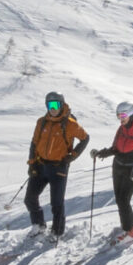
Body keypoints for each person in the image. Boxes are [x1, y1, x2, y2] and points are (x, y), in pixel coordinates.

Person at [92, 101, 133, 241]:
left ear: (131, 113)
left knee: (123, 199)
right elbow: (115, 148)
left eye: (123, 115)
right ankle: (129, 225)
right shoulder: (121, 129)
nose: (120, 118)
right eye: (118, 115)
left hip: (132, 169)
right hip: (118, 166)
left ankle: (130, 228)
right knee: (119, 199)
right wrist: (101, 153)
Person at [26, 91, 89, 236]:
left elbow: (85, 138)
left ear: (61, 104)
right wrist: (32, 164)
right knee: (30, 198)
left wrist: (72, 156)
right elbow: (34, 143)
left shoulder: (70, 124)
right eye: (49, 105)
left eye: (55, 104)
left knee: (56, 203)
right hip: (40, 166)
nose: (52, 108)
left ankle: (57, 232)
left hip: (58, 168)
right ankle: (39, 225)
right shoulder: (41, 122)